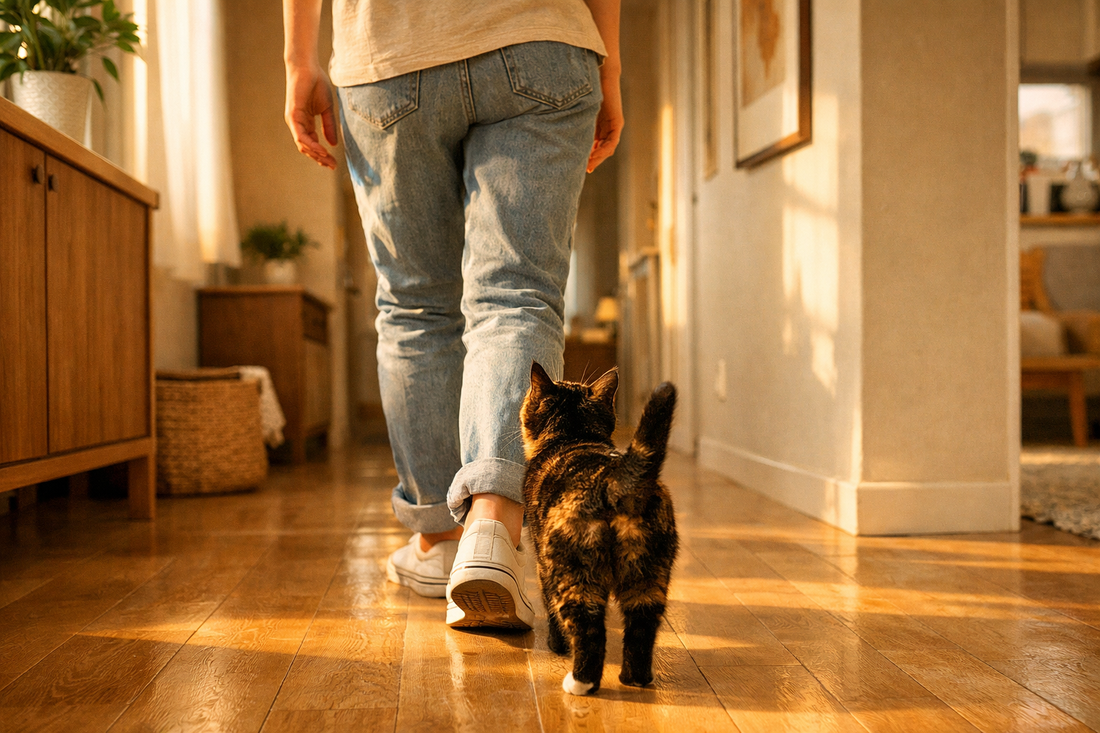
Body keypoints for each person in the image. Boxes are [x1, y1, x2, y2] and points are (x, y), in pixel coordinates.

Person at [283, 0, 622, 630]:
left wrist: (299, 59)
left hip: (387, 54)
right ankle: (493, 524)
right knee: (516, 293)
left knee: (413, 307)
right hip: (542, 39)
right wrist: (612, 67)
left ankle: (440, 542)